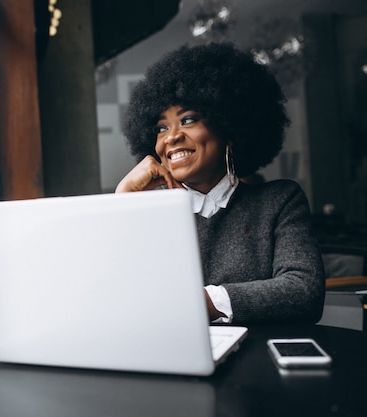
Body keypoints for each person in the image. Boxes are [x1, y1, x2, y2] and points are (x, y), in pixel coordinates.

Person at [116, 42, 325, 324]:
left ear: (229, 128)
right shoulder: (149, 211)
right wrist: (123, 200)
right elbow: (115, 297)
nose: (171, 137)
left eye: (188, 120)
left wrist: (200, 303)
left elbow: (303, 291)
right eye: (161, 128)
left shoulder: (280, 201)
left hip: (259, 361)